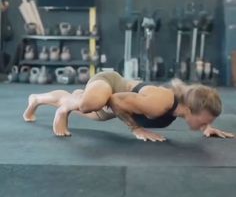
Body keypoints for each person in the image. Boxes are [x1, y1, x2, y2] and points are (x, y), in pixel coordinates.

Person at [23, 71, 234, 141]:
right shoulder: (160, 103)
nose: (208, 123)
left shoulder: (185, 105)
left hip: (120, 106)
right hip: (111, 85)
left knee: (77, 101)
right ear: (190, 109)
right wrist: (137, 129)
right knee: (89, 104)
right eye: (206, 120)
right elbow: (115, 100)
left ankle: (37, 99)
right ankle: (63, 110)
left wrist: (206, 127)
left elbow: (197, 110)